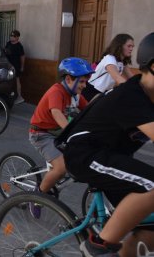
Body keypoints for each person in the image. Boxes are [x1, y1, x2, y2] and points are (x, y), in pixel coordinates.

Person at [62, 33, 154, 257]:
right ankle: (97, 246)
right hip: (84, 155)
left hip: (112, 157)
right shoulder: (133, 95)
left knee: (150, 232)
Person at [28, 57, 93, 218]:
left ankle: (53, 181)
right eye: (82, 81)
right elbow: (56, 112)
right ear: (69, 79)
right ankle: (37, 196)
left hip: (57, 133)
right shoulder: (56, 91)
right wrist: (72, 133)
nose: (85, 86)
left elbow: (90, 110)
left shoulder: (76, 95)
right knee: (61, 168)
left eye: (86, 82)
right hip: (41, 134)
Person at [83, 33, 135, 102]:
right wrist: (133, 89)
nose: (131, 49)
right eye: (129, 46)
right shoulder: (110, 59)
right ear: (120, 46)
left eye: (132, 46)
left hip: (103, 93)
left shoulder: (122, 62)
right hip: (92, 91)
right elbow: (118, 79)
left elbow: (132, 79)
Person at [4, 29, 26, 104]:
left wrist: (22, 67)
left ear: (17, 37)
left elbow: (22, 57)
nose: (11, 37)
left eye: (13, 36)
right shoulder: (8, 43)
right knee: (8, 80)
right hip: (7, 66)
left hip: (16, 66)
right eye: (11, 35)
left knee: (17, 80)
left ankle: (19, 97)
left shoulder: (19, 46)